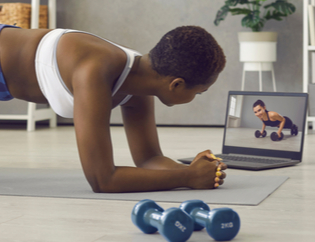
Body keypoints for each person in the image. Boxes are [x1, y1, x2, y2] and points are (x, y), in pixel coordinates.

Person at [0, 23, 227, 193]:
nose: (196, 98)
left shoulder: (142, 81)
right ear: (176, 84)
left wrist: (195, 170)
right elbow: (102, 180)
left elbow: (149, 159)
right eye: (198, 93)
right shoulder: (96, 70)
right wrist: (187, 177)